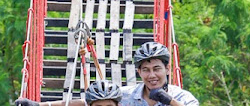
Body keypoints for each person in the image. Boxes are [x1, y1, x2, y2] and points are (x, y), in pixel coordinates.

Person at [15, 42, 199, 106]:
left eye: (157, 69)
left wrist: (169, 101)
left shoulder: (182, 97)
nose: (152, 75)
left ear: (167, 69)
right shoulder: (127, 96)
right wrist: (39, 105)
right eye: (146, 70)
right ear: (138, 72)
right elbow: (88, 102)